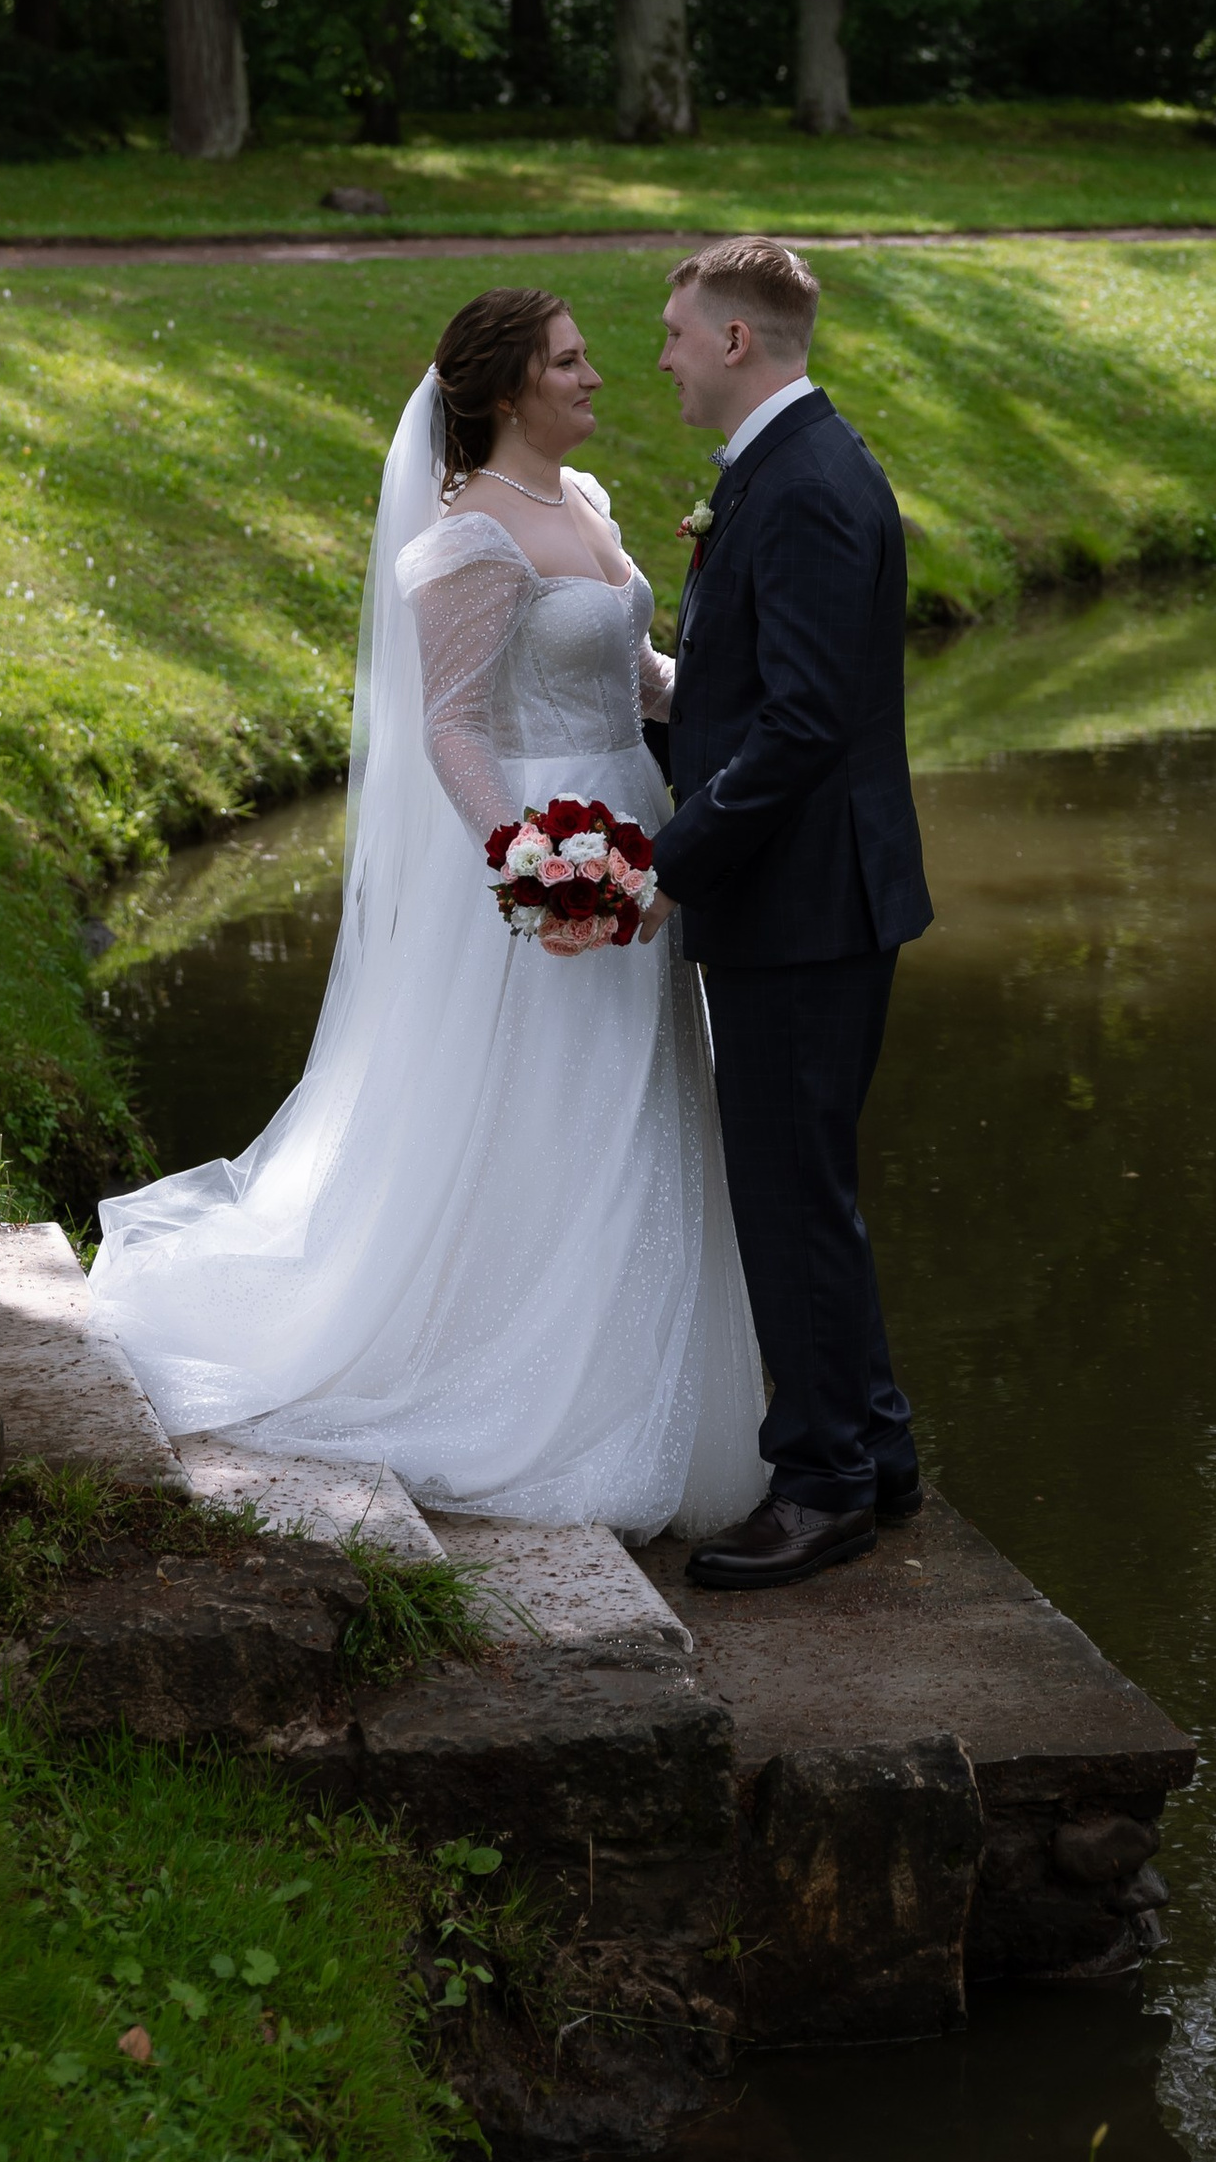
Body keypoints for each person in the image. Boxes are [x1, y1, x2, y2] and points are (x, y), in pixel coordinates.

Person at [88, 288, 764, 1540]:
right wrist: (531, 866)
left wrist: (750, 714)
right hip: (540, 860)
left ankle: (632, 1381)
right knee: (542, 1107)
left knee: (635, 1106)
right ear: (508, 391)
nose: (596, 379)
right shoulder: (467, 539)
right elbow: (450, 723)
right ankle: (503, 1378)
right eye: (569, 364)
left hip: (635, 840)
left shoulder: (590, 511)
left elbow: (642, 684)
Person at [647, 235, 932, 1589]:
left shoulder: (805, 484)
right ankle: (874, 1448)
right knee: (808, 1185)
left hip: (805, 905)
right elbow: (763, 686)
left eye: (677, 334)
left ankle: (820, 1488)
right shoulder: (794, 466)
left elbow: (807, 720)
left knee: (787, 1194)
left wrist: (671, 855)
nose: (665, 359)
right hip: (816, 896)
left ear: (738, 342)